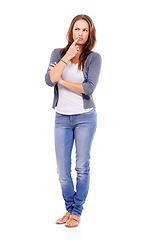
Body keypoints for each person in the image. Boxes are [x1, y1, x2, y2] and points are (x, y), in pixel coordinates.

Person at [45, 14, 102, 227]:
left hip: (85, 118)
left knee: (82, 167)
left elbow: (88, 88)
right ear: (71, 31)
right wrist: (66, 58)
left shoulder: (94, 58)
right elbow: (49, 81)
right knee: (62, 170)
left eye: (85, 30)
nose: (81, 33)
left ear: (90, 34)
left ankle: (77, 211)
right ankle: (69, 208)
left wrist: (62, 79)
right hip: (61, 118)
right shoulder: (57, 53)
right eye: (77, 29)